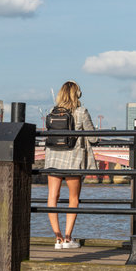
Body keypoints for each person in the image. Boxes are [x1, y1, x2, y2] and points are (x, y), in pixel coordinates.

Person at [44, 80, 98, 249]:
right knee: (73, 198)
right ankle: (68, 238)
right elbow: (93, 138)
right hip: (73, 159)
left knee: (53, 196)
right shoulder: (81, 112)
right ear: (78, 94)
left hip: (53, 158)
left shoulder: (53, 112)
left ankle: (57, 238)